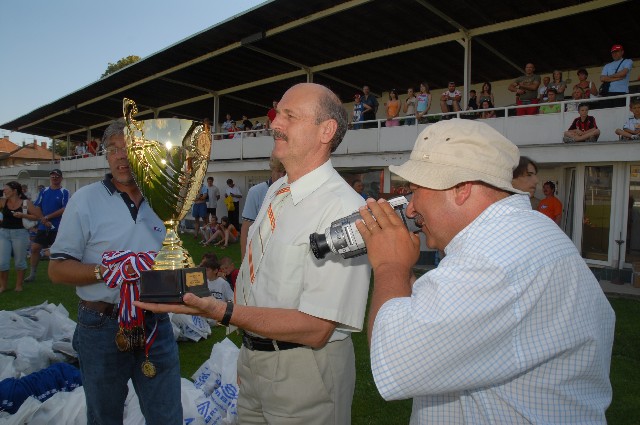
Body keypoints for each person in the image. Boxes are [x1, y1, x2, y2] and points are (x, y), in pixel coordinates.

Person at [136, 83, 372, 424]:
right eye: (277, 115)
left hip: (305, 375)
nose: (275, 124)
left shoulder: (344, 210)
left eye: (290, 116)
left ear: (326, 130)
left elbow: (317, 327)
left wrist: (222, 311)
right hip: (253, 362)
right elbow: (258, 276)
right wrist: (250, 355)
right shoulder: (277, 190)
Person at [356, 119, 615, 424]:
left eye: (416, 191)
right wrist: (402, 270)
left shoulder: (492, 259)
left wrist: (390, 265)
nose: (410, 209)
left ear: (461, 188)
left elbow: (395, 359)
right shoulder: (523, 232)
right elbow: (432, 321)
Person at [48, 120, 182, 424]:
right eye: (113, 149)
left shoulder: (164, 200)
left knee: (167, 416)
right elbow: (56, 270)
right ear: (107, 156)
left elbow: (170, 260)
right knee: (104, 417)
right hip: (101, 325)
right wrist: (108, 272)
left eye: (129, 149)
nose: (121, 156)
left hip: (154, 323)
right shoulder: (85, 200)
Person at [25, 169, 69, 282]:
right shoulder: (44, 191)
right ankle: (32, 274)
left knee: (58, 251)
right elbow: (37, 206)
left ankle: (61, 273)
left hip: (58, 227)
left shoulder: (64, 191)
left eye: (57, 176)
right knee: (35, 248)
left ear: (61, 178)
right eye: (53, 176)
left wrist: (48, 217)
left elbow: (64, 208)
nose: (54, 178)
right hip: (43, 226)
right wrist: (43, 220)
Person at [240, 156, 286, 258]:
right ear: (272, 170)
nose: (282, 176)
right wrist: (244, 260)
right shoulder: (256, 192)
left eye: (285, 172)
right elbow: (246, 230)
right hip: (261, 254)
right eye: (279, 171)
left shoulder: (293, 191)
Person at [0, 182, 40, 293]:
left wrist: (23, 215)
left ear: (15, 191)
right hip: (3, 233)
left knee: (19, 261)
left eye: (6, 189)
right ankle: (3, 286)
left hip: (20, 234)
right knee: (2, 262)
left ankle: (19, 285)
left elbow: (37, 217)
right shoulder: (3, 201)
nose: (4, 191)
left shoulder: (26, 203)